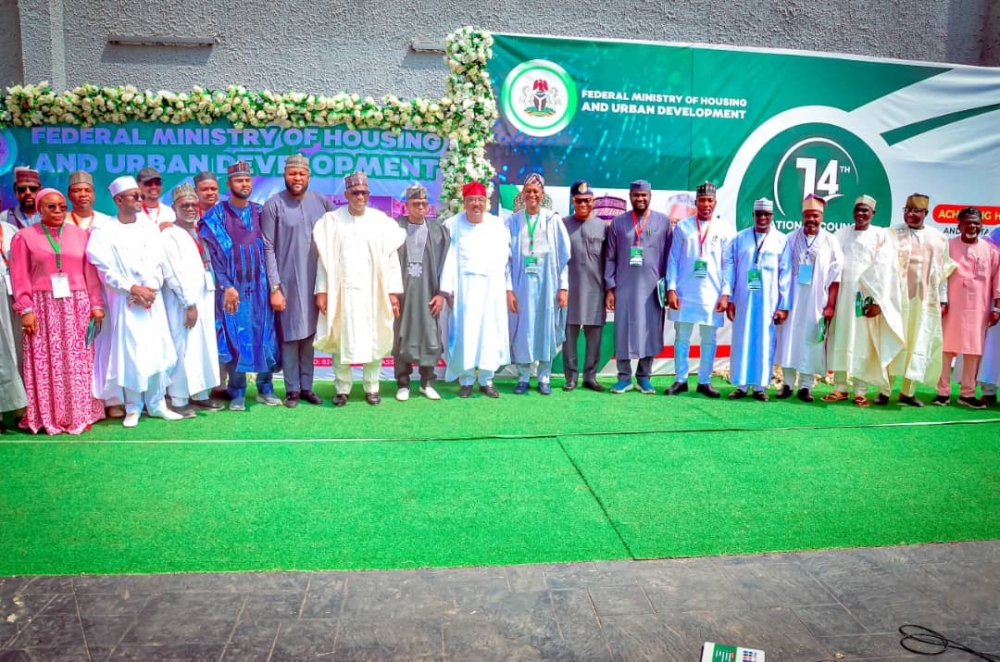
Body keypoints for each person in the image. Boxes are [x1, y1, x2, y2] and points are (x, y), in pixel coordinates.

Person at [88, 177, 183, 428]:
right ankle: (133, 407)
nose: (141, 199)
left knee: (157, 349)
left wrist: (149, 288)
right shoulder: (104, 230)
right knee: (131, 354)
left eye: (140, 195)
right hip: (125, 300)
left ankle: (157, 404)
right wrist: (132, 288)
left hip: (151, 298)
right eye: (135, 196)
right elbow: (104, 270)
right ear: (119, 200)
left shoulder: (149, 227)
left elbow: (159, 262)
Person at [9, 188, 102, 433]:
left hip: (77, 305)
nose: (58, 211)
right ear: (40, 209)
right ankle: (47, 415)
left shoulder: (80, 235)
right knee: (46, 361)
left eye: (62, 206)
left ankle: (78, 412)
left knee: (77, 360)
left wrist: (96, 304)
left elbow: (90, 273)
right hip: (42, 307)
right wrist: (26, 309)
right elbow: (19, 276)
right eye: (51, 206)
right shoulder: (24, 237)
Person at [313, 171, 405, 406]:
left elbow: (392, 260)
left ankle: (372, 387)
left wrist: (393, 293)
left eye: (364, 192)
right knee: (341, 338)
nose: (360, 197)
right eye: (355, 193)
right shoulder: (332, 221)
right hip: (342, 292)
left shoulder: (380, 222)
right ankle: (342, 388)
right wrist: (322, 291)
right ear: (346, 195)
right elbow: (324, 260)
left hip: (373, 292)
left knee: (374, 336)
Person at [200, 161, 281, 410]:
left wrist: (274, 286)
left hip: (261, 287)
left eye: (247, 180)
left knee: (265, 334)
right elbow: (214, 255)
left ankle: (265, 388)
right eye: (238, 180)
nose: (244, 184)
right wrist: (226, 286)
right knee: (235, 336)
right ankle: (237, 392)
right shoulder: (216, 215)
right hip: (232, 289)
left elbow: (273, 248)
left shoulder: (260, 212)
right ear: (229, 184)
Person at [261, 154, 333, 407]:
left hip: (316, 281)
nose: (297, 178)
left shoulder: (322, 202)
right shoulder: (273, 204)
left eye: (301, 173)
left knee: (309, 334)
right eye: (292, 173)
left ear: (309, 176)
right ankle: (292, 389)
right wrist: (275, 287)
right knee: (290, 335)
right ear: (285, 176)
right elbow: (268, 247)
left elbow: (336, 236)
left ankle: (307, 387)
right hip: (287, 282)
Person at [822, 195, 904, 407]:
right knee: (840, 339)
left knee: (863, 343)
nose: (860, 214)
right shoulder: (842, 234)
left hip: (865, 298)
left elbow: (886, 270)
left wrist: (877, 301)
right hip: (843, 295)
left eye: (865, 210)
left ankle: (860, 390)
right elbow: (832, 263)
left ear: (873, 213)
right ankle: (840, 387)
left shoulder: (881, 236)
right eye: (857, 210)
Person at [876, 194, 955, 406]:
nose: (910, 214)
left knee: (918, 343)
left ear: (925, 213)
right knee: (894, 341)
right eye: (907, 210)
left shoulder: (939, 238)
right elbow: (882, 267)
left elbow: (943, 272)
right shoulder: (893, 234)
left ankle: (908, 392)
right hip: (898, 301)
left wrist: (943, 299)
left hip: (924, 302)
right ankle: (885, 391)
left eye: (915, 211)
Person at [439, 181, 510, 398]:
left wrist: (504, 288)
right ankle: (467, 380)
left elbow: (505, 259)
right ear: (464, 203)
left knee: (489, 334)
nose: (476, 204)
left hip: (491, 290)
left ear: (486, 202)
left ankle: (487, 380)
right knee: (465, 334)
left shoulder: (497, 225)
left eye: (480, 200)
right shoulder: (452, 224)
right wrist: (448, 290)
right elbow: (447, 260)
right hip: (464, 290)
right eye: (471, 200)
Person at [664, 181, 732, 398]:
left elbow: (728, 264)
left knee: (709, 339)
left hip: (712, 293)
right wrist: (671, 288)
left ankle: (704, 381)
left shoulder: (724, 229)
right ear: (696, 202)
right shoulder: (683, 227)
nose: (706, 204)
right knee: (682, 337)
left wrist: (725, 293)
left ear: (715, 203)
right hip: (684, 291)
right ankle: (680, 379)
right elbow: (673, 259)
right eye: (702, 200)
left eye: (710, 200)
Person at [160, 184, 223, 416]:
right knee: (183, 346)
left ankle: (201, 394)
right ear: (174, 207)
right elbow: (174, 273)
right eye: (184, 205)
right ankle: (178, 398)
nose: (189, 209)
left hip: (204, 297)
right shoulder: (170, 235)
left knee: (203, 345)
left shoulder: (199, 231)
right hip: (183, 303)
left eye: (193, 205)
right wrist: (189, 304)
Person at [604, 180, 671, 394]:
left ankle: (644, 377)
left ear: (650, 196)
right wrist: (610, 288)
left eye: (644, 195)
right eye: (636, 195)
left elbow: (670, 256)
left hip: (652, 289)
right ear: (630, 196)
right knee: (623, 329)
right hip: (624, 287)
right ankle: (624, 377)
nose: (640, 199)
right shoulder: (618, 223)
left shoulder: (663, 222)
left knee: (650, 330)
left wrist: (669, 287)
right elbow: (610, 257)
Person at [507, 173, 571, 395]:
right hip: (521, 286)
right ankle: (523, 376)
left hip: (548, 287)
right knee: (523, 330)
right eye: (528, 191)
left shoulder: (553, 220)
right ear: (523, 193)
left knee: (547, 328)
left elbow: (563, 258)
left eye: (536, 191)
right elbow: (506, 260)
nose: (532, 194)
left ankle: (544, 377)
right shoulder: (513, 222)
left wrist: (563, 287)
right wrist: (508, 289)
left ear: (542, 194)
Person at [774, 194, 843, 402]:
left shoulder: (830, 241)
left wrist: (830, 305)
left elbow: (836, 276)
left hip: (816, 300)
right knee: (789, 339)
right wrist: (781, 302)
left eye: (815, 216)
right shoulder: (790, 238)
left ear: (822, 217)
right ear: (802, 216)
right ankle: (787, 384)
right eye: (808, 215)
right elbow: (781, 270)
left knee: (811, 340)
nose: (811, 219)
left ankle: (805, 386)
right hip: (792, 299)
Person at [724, 198, 790, 401]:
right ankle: (741, 385)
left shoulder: (781, 240)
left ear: (772, 216)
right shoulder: (740, 238)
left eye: (766, 214)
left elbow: (785, 274)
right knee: (742, 339)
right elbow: (730, 268)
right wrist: (730, 297)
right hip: (743, 299)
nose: (762, 218)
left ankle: (760, 387)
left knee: (765, 341)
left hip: (769, 301)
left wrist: (783, 306)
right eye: (759, 214)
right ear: (753, 215)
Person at [935, 207, 1000, 409]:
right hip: (950, 306)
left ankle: (967, 393)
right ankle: (942, 392)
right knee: (945, 349)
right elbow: (940, 276)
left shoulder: (991, 250)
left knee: (973, 350)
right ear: (959, 225)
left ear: (981, 226)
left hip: (979, 308)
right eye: (968, 223)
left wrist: (997, 308)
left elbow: (997, 280)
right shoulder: (947, 246)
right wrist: (941, 301)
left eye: (976, 223)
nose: (972, 226)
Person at [391, 184, 450, 401]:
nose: (421, 208)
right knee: (402, 334)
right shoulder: (395, 228)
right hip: (402, 293)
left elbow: (448, 264)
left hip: (429, 293)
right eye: (416, 204)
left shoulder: (438, 232)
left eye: (424, 204)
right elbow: (385, 261)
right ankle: (403, 383)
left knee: (429, 333)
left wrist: (442, 293)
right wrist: (391, 293)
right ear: (406, 205)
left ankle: (427, 382)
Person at [562, 180, 607, 392]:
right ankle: (570, 377)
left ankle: (590, 376)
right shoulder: (562, 225)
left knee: (594, 337)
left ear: (593, 201)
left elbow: (609, 261)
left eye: (587, 201)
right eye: (579, 201)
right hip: (569, 291)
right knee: (569, 337)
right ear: (573, 201)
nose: (583, 205)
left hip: (596, 291)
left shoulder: (603, 226)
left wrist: (610, 289)